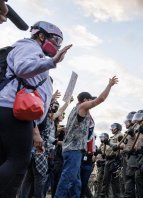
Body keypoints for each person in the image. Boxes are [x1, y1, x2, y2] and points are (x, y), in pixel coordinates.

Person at [0, 21, 71, 197]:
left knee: (5, 159)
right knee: (18, 161)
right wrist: (52, 62)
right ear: (40, 35)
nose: (57, 45)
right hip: (14, 112)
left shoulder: (34, 51)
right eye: (55, 39)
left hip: (12, 111)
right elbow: (22, 68)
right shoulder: (29, 46)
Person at [55, 76, 118, 198]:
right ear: (85, 100)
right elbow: (100, 99)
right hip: (73, 150)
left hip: (73, 150)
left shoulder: (74, 111)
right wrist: (109, 85)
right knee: (67, 178)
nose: (91, 104)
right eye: (89, 100)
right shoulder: (82, 107)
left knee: (76, 182)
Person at [99, 123, 124, 198]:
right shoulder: (112, 137)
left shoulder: (120, 135)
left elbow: (120, 145)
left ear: (118, 128)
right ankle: (103, 195)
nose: (111, 129)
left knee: (115, 181)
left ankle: (117, 196)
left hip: (115, 159)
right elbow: (106, 150)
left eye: (113, 127)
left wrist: (109, 143)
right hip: (108, 160)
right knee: (105, 180)